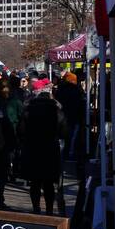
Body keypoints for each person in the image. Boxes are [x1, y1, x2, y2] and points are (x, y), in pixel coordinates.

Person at [21, 80, 67, 215]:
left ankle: (36, 207)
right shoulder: (56, 110)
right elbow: (64, 131)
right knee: (48, 183)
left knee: (35, 182)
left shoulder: (28, 109)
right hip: (50, 148)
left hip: (33, 148)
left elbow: (21, 130)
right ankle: (49, 209)